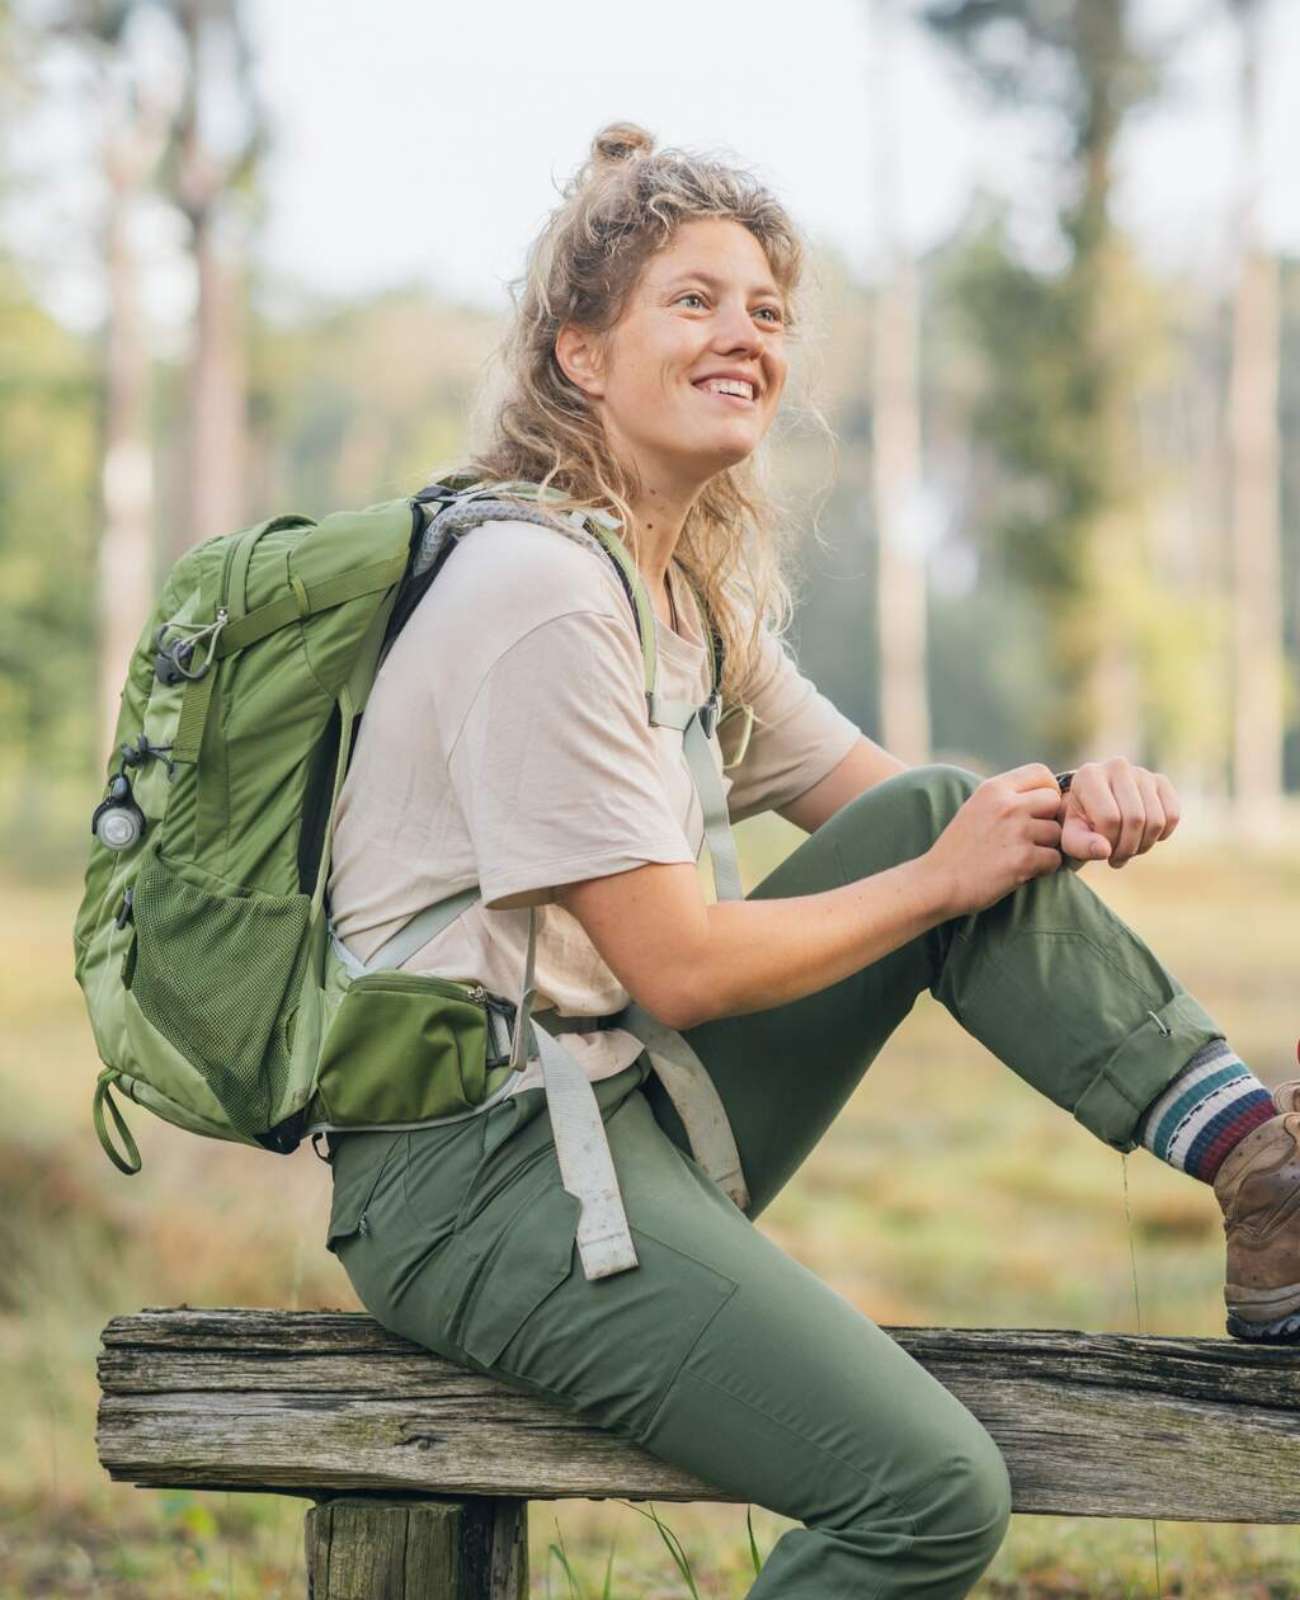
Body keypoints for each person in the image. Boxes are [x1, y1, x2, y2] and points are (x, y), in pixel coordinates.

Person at [321, 122, 1298, 1599]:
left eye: (768, 311)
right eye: (694, 302)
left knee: (945, 816)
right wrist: (946, 871)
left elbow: (919, 820)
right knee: (929, 1495)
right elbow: (681, 965)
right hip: (469, 1183)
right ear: (579, 355)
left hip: (610, 1111)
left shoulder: (681, 597)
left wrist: (1068, 809)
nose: (745, 338)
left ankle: (1263, 1169)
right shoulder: (535, 595)